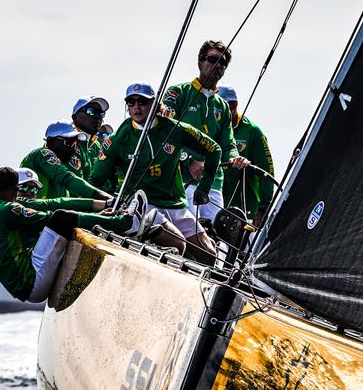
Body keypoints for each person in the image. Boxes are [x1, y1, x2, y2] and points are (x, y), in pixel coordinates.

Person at [90, 82, 221, 265]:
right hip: (142, 206)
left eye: (142, 102)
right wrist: (99, 206)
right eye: (131, 102)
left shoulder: (175, 128)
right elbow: (95, 180)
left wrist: (204, 188)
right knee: (177, 243)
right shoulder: (117, 139)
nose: (136, 107)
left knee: (209, 255)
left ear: (155, 103)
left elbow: (214, 149)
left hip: (175, 204)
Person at [0, 166, 153, 303]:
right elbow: (56, 216)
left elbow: (54, 206)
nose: (26, 194)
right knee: (61, 218)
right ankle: (126, 224)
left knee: (63, 223)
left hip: (24, 285)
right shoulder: (9, 209)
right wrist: (101, 214)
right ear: (15, 191)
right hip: (30, 283)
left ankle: (119, 226)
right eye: (22, 190)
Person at [162, 40, 249, 226]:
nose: (218, 65)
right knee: (190, 236)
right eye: (213, 59)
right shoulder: (177, 93)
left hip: (213, 183)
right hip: (178, 180)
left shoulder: (223, 107)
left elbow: (228, 145)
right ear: (200, 62)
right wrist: (188, 161)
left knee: (216, 241)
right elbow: (162, 134)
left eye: (223, 63)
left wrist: (236, 158)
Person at [217, 86, 275, 227]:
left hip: (246, 213)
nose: (219, 113)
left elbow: (267, 172)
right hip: (215, 207)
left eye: (223, 106)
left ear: (234, 105)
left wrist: (262, 210)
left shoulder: (253, 131)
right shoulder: (211, 128)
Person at [20, 122, 113, 201]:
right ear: (51, 141)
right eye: (70, 142)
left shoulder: (61, 174)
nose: (74, 147)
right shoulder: (41, 154)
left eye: (76, 143)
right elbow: (68, 179)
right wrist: (105, 197)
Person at [72, 95, 110, 171]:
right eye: (90, 111)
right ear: (75, 117)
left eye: (101, 113)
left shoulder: (97, 146)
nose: (97, 116)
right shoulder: (65, 142)